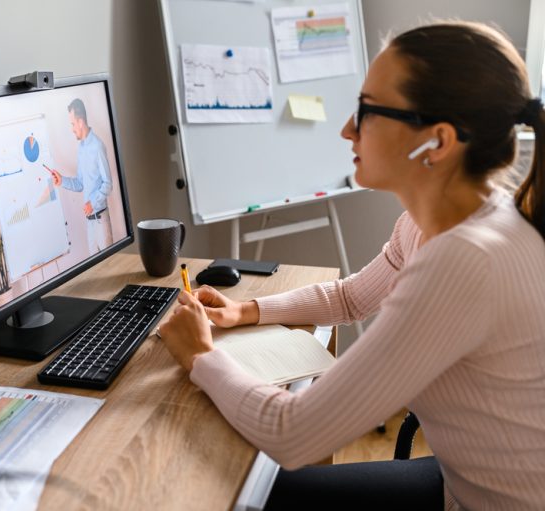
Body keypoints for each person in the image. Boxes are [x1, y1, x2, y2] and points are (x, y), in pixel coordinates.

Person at [158, 21, 545, 511]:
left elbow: (292, 433)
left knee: (233, 494)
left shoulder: (466, 260)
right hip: (462, 480)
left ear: (438, 142)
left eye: (367, 110)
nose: (346, 128)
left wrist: (200, 356)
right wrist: (245, 311)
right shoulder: (439, 225)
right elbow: (350, 297)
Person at [46, 98, 113, 254]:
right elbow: (80, 183)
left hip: (101, 221)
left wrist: (93, 203)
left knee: (108, 267)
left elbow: (108, 184)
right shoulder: (81, 149)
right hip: (89, 224)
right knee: (95, 272)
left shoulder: (97, 146)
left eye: (72, 124)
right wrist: (62, 180)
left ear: (80, 122)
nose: (72, 129)